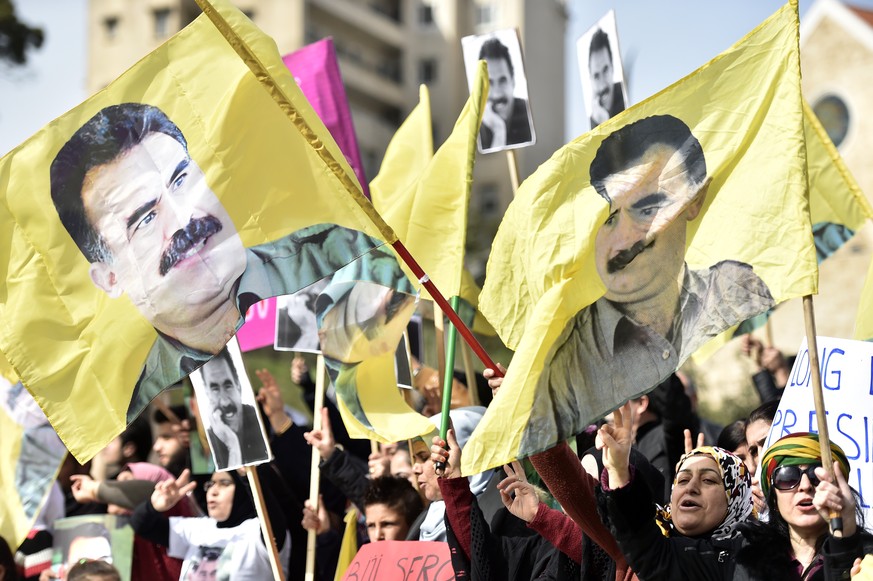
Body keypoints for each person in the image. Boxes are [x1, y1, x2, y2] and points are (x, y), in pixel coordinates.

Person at [49, 102, 412, 423]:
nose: (183, 219)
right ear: (109, 277)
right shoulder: (137, 399)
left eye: (181, 181)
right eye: (144, 219)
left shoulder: (338, 253)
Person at [520, 114, 775, 455]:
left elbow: (678, 421)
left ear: (695, 200)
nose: (626, 237)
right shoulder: (578, 342)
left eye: (649, 207)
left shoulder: (737, 291)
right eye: (611, 217)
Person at [130, 469, 290, 581]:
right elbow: (142, 525)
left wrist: (246, 475)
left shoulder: (256, 531)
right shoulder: (199, 528)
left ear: (243, 489)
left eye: (224, 483)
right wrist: (154, 506)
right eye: (210, 484)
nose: (213, 491)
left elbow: (270, 514)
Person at [198, 348, 268, 469]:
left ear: (238, 385)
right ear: (207, 393)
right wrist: (233, 445)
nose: (225, 402)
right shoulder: (210, 441)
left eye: (228, 385)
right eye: (215, 389)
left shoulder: (263, 420)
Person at [477, 37, 532, 150]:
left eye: (502, 81)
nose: (497, 94)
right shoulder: (476, 130)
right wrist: (499, 130)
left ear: (513, 81)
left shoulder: (528, 116)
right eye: (489, 83)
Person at [587, 27, 626, 128]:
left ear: (612, 67)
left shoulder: (626, 95)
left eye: (605, 71)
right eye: (596, 76)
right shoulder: (593, 119)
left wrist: (606, 123)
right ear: (590, 79)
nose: (602, 84)